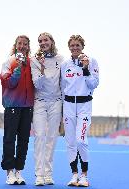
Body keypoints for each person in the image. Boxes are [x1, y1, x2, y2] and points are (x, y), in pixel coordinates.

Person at [60, 35, 99, 187]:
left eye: (78, 45)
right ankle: (74, 175)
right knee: (70, 142)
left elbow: (94, 84)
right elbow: (63, 87)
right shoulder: (65, 65)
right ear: (69, 47)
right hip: (68, 106)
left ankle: (84, 175)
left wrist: (85, 68)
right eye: (72, 45)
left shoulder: (91, 61)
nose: (75, 47)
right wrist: (63, 109)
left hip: (84, 106)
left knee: (80, 140)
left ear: (82, 46)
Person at [0, 35, 34, 185]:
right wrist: (18, 69)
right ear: (15, 45)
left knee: (24, 140)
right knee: (9, 139)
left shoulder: (32, 62)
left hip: (28, 107)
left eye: (25, 44)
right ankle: (9, 173)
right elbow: (9, 83)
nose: (22, 46)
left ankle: (19, 171)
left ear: (28, 46)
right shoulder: (9, 62)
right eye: (20, 43)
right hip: (12, 105)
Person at [31, 32, 64, 186]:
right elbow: (37, 84)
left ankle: (48, 174)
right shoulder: (34, 60)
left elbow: (63, 84)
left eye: (45, 40)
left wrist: (64, 107)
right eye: (40, 41)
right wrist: (42, 67)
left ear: (52, 41)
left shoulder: (61, 60)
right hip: (40, 102)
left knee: (51, 138)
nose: (43, 43)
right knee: (40, 137)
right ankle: (39, 175)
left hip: (56, 102)